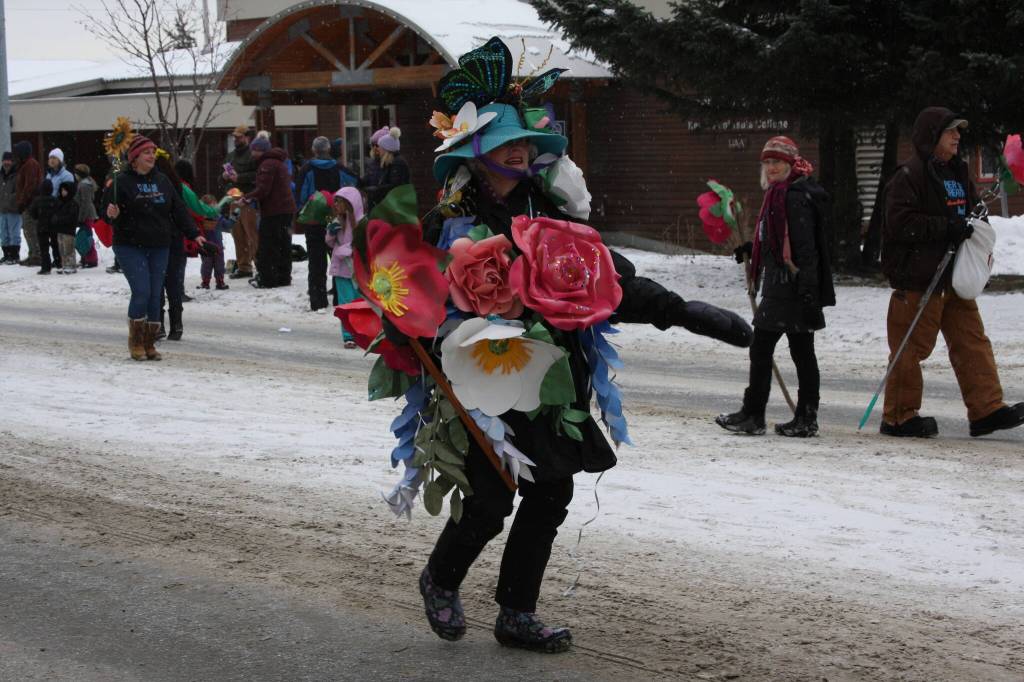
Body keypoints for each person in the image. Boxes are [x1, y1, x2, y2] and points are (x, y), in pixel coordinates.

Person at [412, 92, 752, 651]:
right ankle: (441, 578)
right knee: (491, 501)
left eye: (525, 143)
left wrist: (682, 312)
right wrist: (411, 322)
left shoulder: (547, 214)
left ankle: (516, 613)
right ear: (476, 154)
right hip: (479, 378)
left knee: (550, 493)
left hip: (548, 377)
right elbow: (415, 298)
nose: (519, 153)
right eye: (506, 143)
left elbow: (605, 281)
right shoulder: (450, 221)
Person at [880, 107, 1024, 438]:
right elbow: (900, 223)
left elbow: (971, 213)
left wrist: (976, 226)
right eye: (951, 131)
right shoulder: (909, 176)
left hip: (953, 275)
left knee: (971, 342)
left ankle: (986, 410)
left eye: (959, 131)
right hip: (919, 279)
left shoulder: (958, 173)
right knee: (910, 348)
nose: (958, 137)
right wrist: (948, 227)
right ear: (932, 137)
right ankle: (899, 417)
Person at [715, 137, 835, 436]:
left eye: (777, 162)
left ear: (790, 163)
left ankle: (756, 415)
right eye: (767, 162)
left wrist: (807, 290)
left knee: (766, 348)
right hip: (786, 284)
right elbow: (776, 238)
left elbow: (805, 248)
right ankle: (804, 417)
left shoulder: (792, 196)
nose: (771, 168)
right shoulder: (781, 193)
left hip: (790, 286)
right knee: (800, 351)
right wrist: (749, 248)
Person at [103, 135, 205, 361]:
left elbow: (179, 210)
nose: (152, 156)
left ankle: (149, 343)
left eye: (153, 152)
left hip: (160, 244)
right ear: (134, 157)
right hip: (130, 245)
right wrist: (112, 214)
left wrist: (195, 234)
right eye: (147, 152)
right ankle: (136, 342)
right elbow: (107, 212)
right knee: (142, 291)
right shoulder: (122, 181)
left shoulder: (162, 181)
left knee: (155, 293)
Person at [294, 136, 360, 311]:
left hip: (314, 221)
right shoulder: (338, 168)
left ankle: (318, 300)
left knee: (316, 262)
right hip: (336, 219)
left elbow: (300, 196)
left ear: (314, 150)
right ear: (329, 149)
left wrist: (304, 210)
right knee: (339, 258)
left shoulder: (307, 169)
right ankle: (340, 298)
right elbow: (354, 183)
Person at [243, 136, 296, 288]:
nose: (252, 153)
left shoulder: (267, 164)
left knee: (268, 245)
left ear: (260, 150)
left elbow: (263, 189)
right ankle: (283, 277)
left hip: (274, 210)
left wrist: (247, 197)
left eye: (254, 150)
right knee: (283, 244)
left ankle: (267, 279)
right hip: (285, 209)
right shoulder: (279, 162)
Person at [325, 186, 364, 347]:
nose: (336, 205)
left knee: (360, 303)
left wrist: (342, 250)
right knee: (346, 304)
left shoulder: (362, 222)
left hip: (358, 270)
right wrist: (331, 233)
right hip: (342, 271)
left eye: (339, 202)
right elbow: (329, 242)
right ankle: (348, 335)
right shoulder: (338, 221)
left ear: (350, 203)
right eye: (335, 202)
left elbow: (362, 244)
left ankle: (362, 333)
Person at [221, 124, 258, 279]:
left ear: (247, 137)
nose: (236, 139)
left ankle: (260, 266)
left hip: (248, 200)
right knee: (238, 234)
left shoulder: (253, 155)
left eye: (239, 137)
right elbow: (222, 177)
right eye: (235, 137)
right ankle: (244, 267)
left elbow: (257, 175)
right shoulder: (230, 156)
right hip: (233, 200)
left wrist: (240, 178)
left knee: (252, 235)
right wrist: (223, 177)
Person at [362, 127, 409, 209]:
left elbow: (394, 186)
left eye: (379, 146)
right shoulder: (390, 163)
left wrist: (375, 190)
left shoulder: (397, 163)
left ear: (386, 149)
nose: (377, 149)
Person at [14, 141, 44, 266]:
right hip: (29, 203)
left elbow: (29, 186)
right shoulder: (26, 164)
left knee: (31, 230)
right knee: (28, 230)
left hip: (30, 204)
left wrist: (22, 202)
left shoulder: (30, 164)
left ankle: (36, 255)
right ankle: (33, 253)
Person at [197, 194, 230, 290]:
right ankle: (205, 282)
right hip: (206, 246)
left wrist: (234, 217)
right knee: (206, 265)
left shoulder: (218, 217)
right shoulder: (201, 219)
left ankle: (220, 281)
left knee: (219, 265)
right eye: (213, 205)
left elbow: (227, 225)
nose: (215, 207)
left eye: (215, 204)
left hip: (218, 246)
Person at [73, 164, 100, 268]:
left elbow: (85, 203)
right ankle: (86, 258)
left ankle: (92, 259)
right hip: (87, 214)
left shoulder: (84, 185)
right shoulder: (85, 183)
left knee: (86, 237)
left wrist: (81, 217)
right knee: (84, 236)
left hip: (86, 214)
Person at [28, 180, 57, 274]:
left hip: (42, 226)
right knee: (55, 245)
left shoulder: (37, 200)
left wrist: (38, 217)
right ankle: (58, 262)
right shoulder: (55, 200)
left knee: (44, 248)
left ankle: (46, 267)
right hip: (53, 226)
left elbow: (32, 213)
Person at [0, 151, 21, 264]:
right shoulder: (1, 174)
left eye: (8, 160)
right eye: (5, 160)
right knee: (3, 234)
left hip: (13, 209)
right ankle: (6, 254)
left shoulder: (17, 175)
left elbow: (18, 191)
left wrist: (12, 199)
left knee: (14, 233)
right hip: (2, 209)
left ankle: (14, 255)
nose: (6, 162)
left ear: (12, 162)